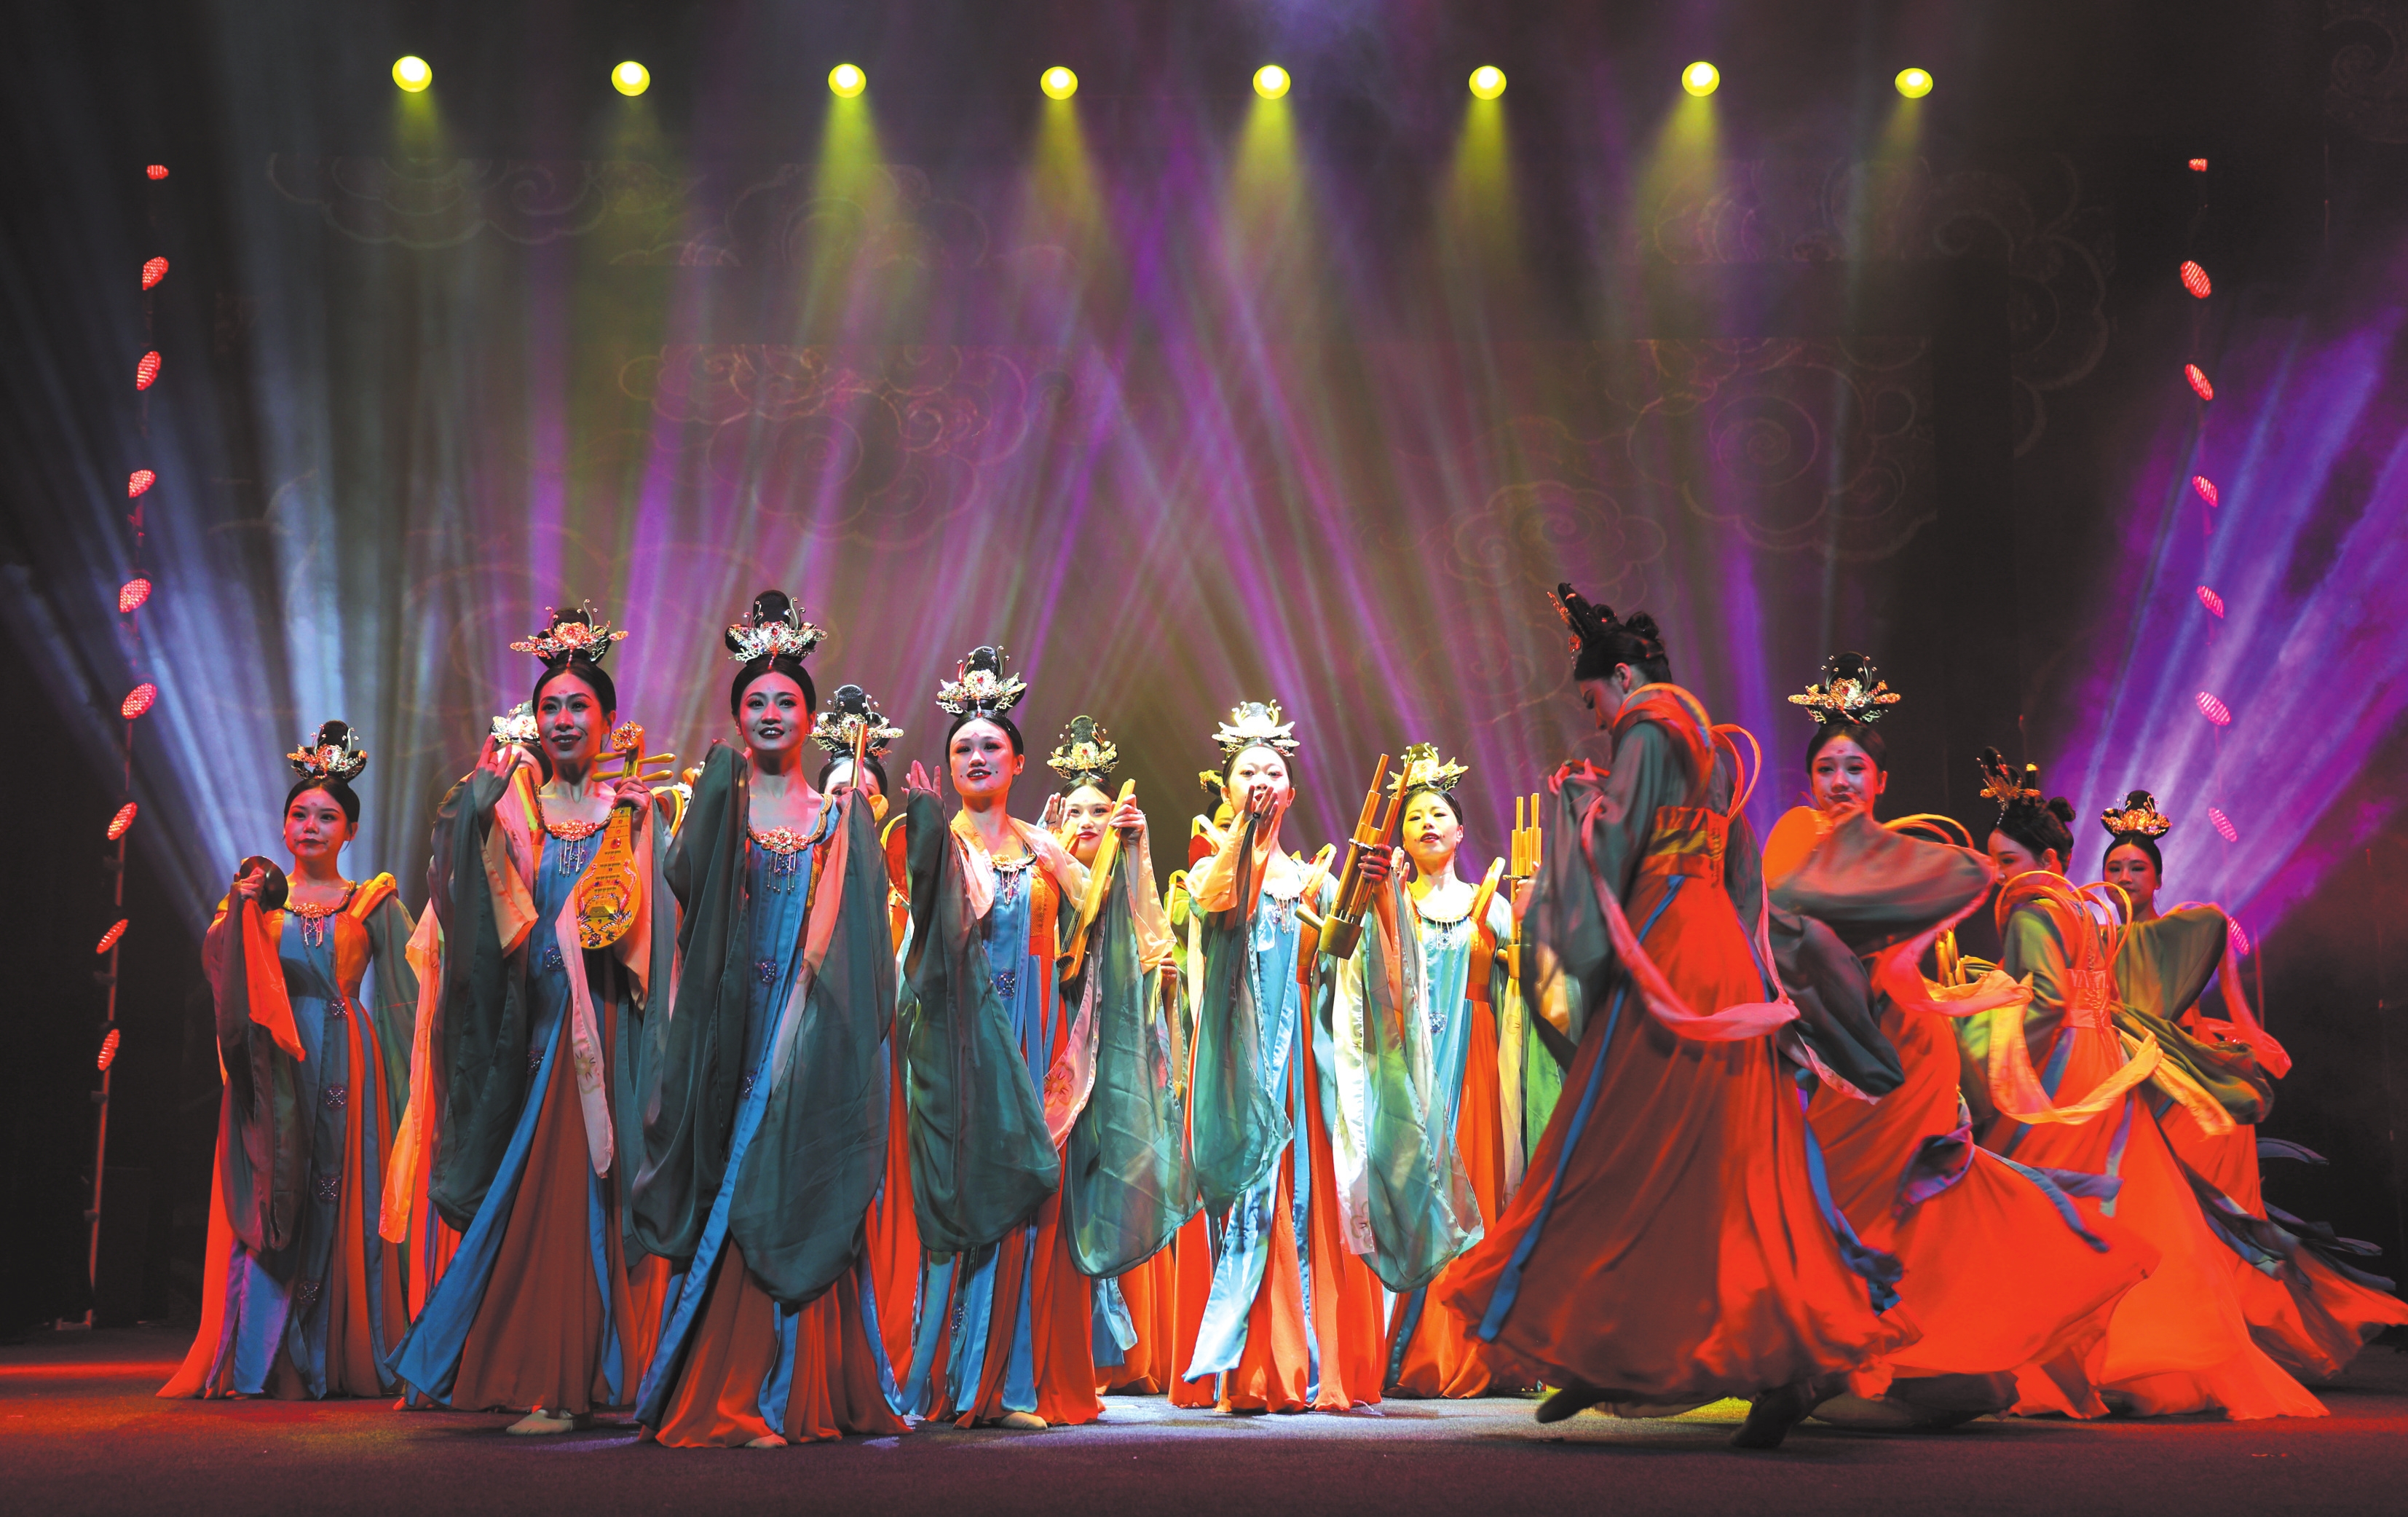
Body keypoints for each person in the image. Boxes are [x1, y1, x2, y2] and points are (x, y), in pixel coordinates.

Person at [1442, 588, 1914, 1450]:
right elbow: (1732, 865)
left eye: (1594, 700)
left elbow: (1619, 846)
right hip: (1715, 951)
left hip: (1667, 951)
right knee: (1724, 1168)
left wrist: (1580, 815)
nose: (1596, 720)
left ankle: (1610, 1344)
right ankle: (1691, 1355)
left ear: (1622, 677)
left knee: (1617, 1146)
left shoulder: (1649, 727)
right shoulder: (1712, 742)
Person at [1764, 658, 2156, 1430]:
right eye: (1826, 768)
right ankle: (1845, 1358)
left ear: (1881, 780)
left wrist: (1948, 991)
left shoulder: (1904, 854)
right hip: (1829, 1054)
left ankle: (1902, 1362)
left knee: (1908, 1209)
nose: (1840, 781)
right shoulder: (1796, 836)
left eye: (1855, 768)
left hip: (1903, 1055)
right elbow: (1791, 925)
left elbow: (1903, 954)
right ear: (1808, 779)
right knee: (1826, 1203)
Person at [1953, 753, 2324, 1418]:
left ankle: (2051, 1361)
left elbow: (2043, 1003)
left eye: (2005, 859)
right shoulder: (2082, 910)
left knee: (2044, 1209)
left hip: (2063, 1075)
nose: (1996, 872)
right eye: (1993, 859)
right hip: (2103, 1070)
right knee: (2128, 1210)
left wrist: (1975, 1045)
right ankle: (2139, 1357)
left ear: (2046, 859)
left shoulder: (2036, 912)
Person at [386, 604, 676, 1433]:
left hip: (606, 1027)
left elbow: (659, 931)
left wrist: (648, 831)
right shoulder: (515, 810)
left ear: (609, 718)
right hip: (533, 1029)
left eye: (580, 705)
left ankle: (597, 1373)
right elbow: (474, 915)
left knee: (598, 1194)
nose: (564, 719)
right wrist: (471, 813)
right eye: (550, 706)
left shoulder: (630, 810)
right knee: (539, 1193)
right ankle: (543, 1371)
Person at [628, 592, 910, 1446]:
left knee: (799, 1172)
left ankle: (806, 1388)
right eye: (756, 701)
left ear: (812, 719)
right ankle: (728, 1391)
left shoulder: (835, 817)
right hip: (732, 1031)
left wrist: (814, 1019)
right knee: (733, 1174)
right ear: (737, 718)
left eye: (787, 700)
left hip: (807, 1031)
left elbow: (863, 946)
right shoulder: (721, 803)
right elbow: (686, 898)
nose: (772, 712)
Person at [2096, 792, 2408, 1386]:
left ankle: (2227, 1336)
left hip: (2194, 1085)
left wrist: (2252, 1037)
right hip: (2128, 1083)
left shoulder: (2192, 927)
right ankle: (2152, 1337)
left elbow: (2230, 999)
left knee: (2208, 1215)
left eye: (2136, 867)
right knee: (2143, 1214)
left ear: (2158, 878)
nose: (2125, 877)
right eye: (2114, 867)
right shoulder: (2095, 940)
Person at [162, 723, 420, 1399]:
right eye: (300, 813)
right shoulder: (252, 901)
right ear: (283, 827)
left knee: (338, 1188)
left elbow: (414, 988)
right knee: (272, 1187)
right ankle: (259, 1357)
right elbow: (222, 974)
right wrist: (241, 912)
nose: (311, 825)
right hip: (271, 1065)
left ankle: (336, 1351)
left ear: (351, 831)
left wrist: (416, 1085)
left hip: (347, 1062)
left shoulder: (372, 901)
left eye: (327, 816)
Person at [1175, 701, 1408, 1413]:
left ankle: (1308, 1361)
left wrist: (1380, 893)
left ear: (1293, 791)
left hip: (1303, 1063)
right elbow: (1218, 911)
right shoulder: (1208, 873)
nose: (1261, 781)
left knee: (1303, 1197)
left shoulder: (1315, 884)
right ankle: (1247, 1371)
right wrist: (1242, 838)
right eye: (1247, 772)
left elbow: (1355, 964)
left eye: (1273, 772)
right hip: (1236, 1059)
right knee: (1247, 1196)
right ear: (1225, 790)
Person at [894, 646, 1100, 1429]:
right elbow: (921, 939)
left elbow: (1093, 944)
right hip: (962, 1045)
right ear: (948, 766)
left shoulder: (1047, 852)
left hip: (1037, 1042)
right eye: (962, 748)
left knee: (1028, 1204)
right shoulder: (936, 840)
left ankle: (1014, 1384)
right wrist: (923, 832)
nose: (977, 757)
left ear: (1017, 760)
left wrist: (1125, 852)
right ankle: (948, 1379)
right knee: (966, 1192)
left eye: (991, 745)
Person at [1041, 716, 1191, 1395]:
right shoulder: (1044, 877)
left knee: (1119, 1178)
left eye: (1100, 810)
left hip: (1119, 1054)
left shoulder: (1132, 881)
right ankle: (1068, 1344)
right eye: (1074, 811)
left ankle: (1125, 1355)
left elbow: (1159, 956)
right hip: (1058, 1049)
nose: (1087, 821)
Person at [1378, 745, 1528, 1399]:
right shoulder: (1392, 902)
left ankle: (1477, 1349)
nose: (1427, 824)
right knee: (1416, 1188)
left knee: (1474, 1189)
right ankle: (1408, 1351)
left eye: (1438, 814)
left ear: (1461, 831)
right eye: (1415, 817)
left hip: (1474, 1059)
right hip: (1410, 1065)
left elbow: (1529, 984)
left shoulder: (1489, 905)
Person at [810, 683, 923, 1381]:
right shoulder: (796, 869)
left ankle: (889, 1337)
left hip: (891, 1064)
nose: (851, 802)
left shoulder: (902, 888)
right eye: (837, 791)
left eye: (867, 794)